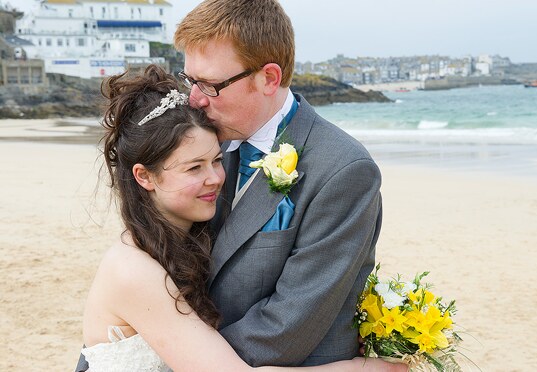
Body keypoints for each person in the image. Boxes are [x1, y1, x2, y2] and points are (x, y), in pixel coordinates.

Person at [77, 65, 404, 371]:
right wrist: (354, 368)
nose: (215, 178)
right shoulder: (132, 270)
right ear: (145, 177)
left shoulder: (184, 240)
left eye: (216, 160)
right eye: (194, 168)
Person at [173, 0, 385, 367]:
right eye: (190, 80)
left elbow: (285, 329)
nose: (194, 99)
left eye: (209, 84)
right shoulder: (200, 143)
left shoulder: (344, 170)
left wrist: (178, 356)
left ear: (269, 78)